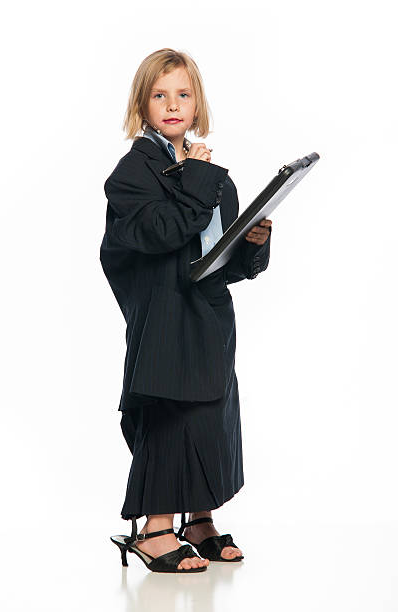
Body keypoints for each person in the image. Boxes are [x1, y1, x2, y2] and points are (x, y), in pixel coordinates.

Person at [100, 48, 273, 574]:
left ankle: (198, 520)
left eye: (183, 94)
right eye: (160, 95)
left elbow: (222, 261)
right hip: (165, 319)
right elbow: (159, 234)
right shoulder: (132, 174)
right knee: (170, 416)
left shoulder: (212, 177)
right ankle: (154, 530)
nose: (172, 104)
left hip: (209, 318)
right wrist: (199, 178)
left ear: (197, 105)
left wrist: (253, 243)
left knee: (211, 417)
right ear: (142, 104)